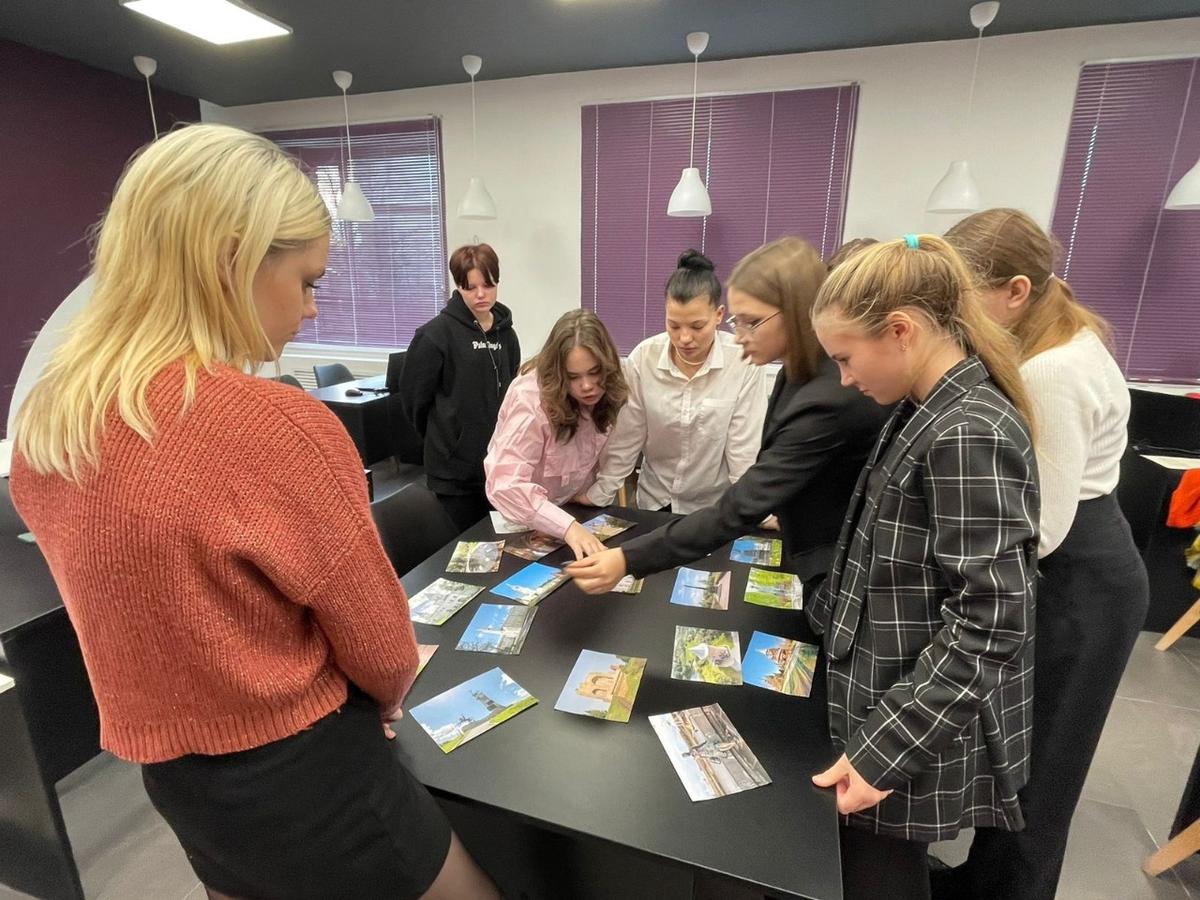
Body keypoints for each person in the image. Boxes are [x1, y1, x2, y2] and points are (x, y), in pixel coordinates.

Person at [8, 124, 499, 900]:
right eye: (307, 282)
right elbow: (380, 647)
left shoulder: (44, 425)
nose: (309, 310)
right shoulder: (278, 425)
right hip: (307, 772)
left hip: (175, 781)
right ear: (232, 259)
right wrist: (389, 691)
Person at [805, 234, 1040, 900]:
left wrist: (888, 750)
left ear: (902, 331)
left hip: (909, 718)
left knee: (883, 877)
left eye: (847, 358)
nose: (846, 379)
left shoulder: (967, 428)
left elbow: (990, 621)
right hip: (885, 693)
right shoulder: (922, 406)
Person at [936, 209, 1150, 900]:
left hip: (1081, 580)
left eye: (969, 301)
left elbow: (1043, 527)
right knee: (1021, 762)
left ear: (1016, 291)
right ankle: (980, 884)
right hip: (1080, 564)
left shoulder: (1055, 370)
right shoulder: (1063, 338)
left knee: (1044, 775)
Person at [566, 237, 887, 595]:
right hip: (667, 507)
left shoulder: (827, 395)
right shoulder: (792, 371)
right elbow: (630, 437)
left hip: (823, 563)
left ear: (794, 311)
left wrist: (626, 559)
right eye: (738, 321)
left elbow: (746, 469)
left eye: (749, 322)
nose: (739, 336)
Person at [583, 249, 767, 513]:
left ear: (718, 315)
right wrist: (600, 493)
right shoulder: (644, 358)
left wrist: (753, 510)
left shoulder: (742, 362)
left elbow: (744, 451)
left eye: (696, 326)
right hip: (655, 502)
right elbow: (628, 436)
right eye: (674, 325)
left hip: (713, 507)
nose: (684, 338)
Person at [484, 308, 629, 560]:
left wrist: (592, 498)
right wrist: (567, 527)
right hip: (527, 517)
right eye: (573, 377)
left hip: (572, 512)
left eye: (595, 372)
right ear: (559, 373)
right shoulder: (530, 401)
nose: (587, 386)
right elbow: (504, 484)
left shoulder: (613, 385)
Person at [401, 243, 520, 531]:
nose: (481, 294)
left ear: (497, 283)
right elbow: (413, 401)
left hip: (498, 469)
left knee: (499, 548)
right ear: (458, 286)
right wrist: (450, 439)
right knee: (460, 552)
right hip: (454, 473)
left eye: (488, 285)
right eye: (471, 287)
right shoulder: (435, 335)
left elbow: (512, 395)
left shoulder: (507, 335)